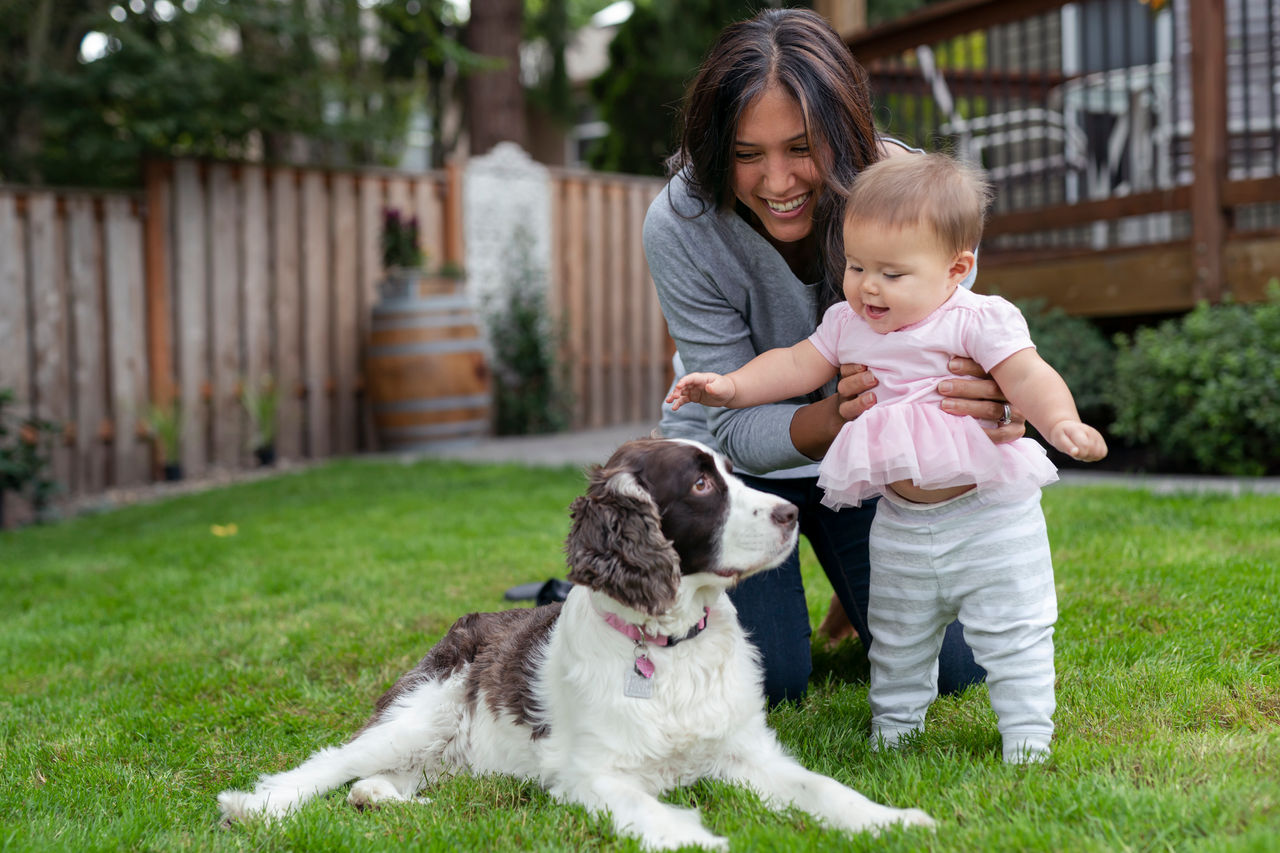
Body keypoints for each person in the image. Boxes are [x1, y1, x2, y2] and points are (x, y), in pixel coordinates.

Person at [644, 7, 1029, 708]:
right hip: (741, 466)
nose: (778, 180)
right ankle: (638, 578)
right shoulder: (681, 222)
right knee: (774, 679)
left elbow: (968, 356)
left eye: (801, 147)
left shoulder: (910, 193)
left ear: (844, 132)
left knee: (960, 668)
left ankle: (861, 582)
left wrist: (995, 399)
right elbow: (736, 432)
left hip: (873, 463)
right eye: (745, 153)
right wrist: (833, 415)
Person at [667, 152, 1107, 762]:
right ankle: (894, 728)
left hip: (988, 519)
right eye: (855, 266)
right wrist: (731, 387)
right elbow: (795, 364)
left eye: (892, 274)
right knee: (898, 637)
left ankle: (1028, 736)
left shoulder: (975, 318)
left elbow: (1027, 373)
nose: (868, 286)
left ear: (957, 269)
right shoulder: (849, 323)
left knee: (1012, 632)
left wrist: (1061, 420)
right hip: (899, 520)